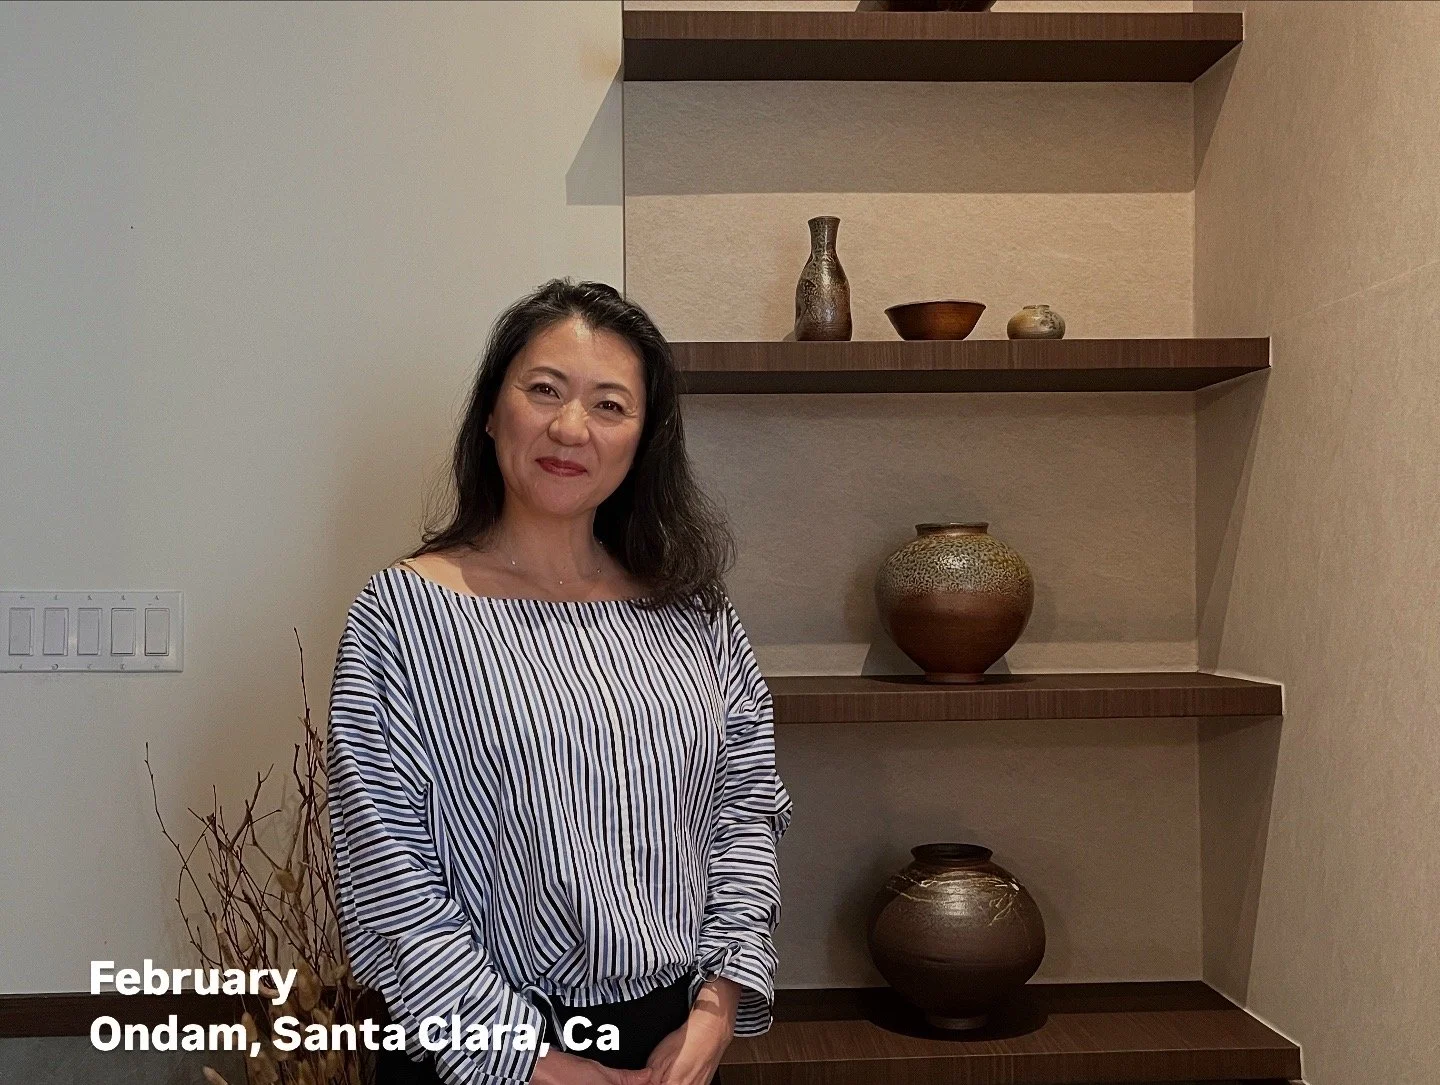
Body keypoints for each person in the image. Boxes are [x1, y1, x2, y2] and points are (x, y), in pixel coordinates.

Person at [326, 279, 794, 1085]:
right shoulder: (401, 615)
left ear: (643, 438)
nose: (571, 427)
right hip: (469, 1049)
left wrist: (718, 1005)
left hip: (671, 1044)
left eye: (610, 405)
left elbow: (744, 810)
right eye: (544, 390)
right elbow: (386, 868)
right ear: (491, 411)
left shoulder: (694, 614)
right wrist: (530, 1060)